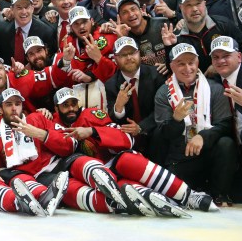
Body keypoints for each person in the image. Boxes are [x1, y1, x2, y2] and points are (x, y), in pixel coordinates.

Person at [52, 87, 212, 216]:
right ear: (56, 108)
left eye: (74, 103)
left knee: (127, 161)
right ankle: (158, 200)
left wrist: (92, 131)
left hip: (115, 164)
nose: (71, 108)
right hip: (92, 179)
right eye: (65, 105)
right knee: (123, 189)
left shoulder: (91, 115)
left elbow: (127, 139)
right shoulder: (51, 123)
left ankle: (188, 195)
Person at [154, 43, 237, 203]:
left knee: (226, 143)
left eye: (191, 63)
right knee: (174, 194)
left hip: (209, 152)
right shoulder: (163, 93)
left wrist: (203, 137)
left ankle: (220, 194)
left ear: (197, 63)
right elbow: (163, 134)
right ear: (171, 66)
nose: (187, 68)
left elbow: (225, 125)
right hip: (181, 155)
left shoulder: (215, 88)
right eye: (181, 64)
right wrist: (176, 119)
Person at [0, 88, 72, 216]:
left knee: (79, 161)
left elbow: (68, 144)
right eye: (8, 104)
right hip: (19, 177)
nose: (14, 108)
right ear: (0, 109)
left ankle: (102, 188)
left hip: (51, 169)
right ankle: (35, 199)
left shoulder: (37, 119)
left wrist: (40, 134)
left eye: (17, 104)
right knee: (0, 177)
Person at [209, 36, 242, 208]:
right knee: (239, 196)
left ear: (239, 57)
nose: (221, 61)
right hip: (239, 151)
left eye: (226, 55)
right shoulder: (211, 85)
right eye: (216, 57)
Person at [105, 37, 166, 161]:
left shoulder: (156, 75)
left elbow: (162, 111)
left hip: (155, 134)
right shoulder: (111, 84)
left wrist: (141, 127)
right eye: (123, 55)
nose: (129, 58)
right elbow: (113, 119)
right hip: (130, 142)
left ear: (139, 53)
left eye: (132, 53)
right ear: (115, 58)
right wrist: (118, 107)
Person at [162, 0, 242, 73]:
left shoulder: (224, 24)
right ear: (181, 8)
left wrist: (218, 67)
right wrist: (169, 47)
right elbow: (174, 72)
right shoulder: (176, 37)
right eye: (189, 5)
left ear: (204, 4)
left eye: (198, 3)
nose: (194, 9)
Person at [0, 0, 57, 64]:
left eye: (27, 7)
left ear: (32, 8)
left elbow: (50, 61)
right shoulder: (1, 30)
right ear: (12, 9)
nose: (24, 12)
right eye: (19, 8)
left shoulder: (46, 32)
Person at [111, 0, 169, 73]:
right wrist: (122, 39)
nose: (131, 14)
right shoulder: (123, 36)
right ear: (120, 19)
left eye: (133, 9)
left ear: (141, 11)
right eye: (125, 12)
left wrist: (169, 63)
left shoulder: (163, 24)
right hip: (147, 79)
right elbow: (128, 69)